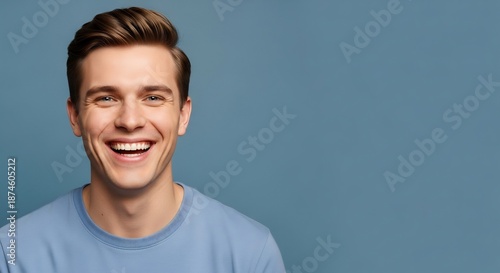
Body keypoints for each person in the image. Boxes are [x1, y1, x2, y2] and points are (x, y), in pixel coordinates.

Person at [0, 7, 285, 272]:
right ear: (75, 116)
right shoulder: (14, 255)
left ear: (183, 115)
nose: (130, 120)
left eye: (153, 97)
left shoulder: (250, 254)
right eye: (106, 98)